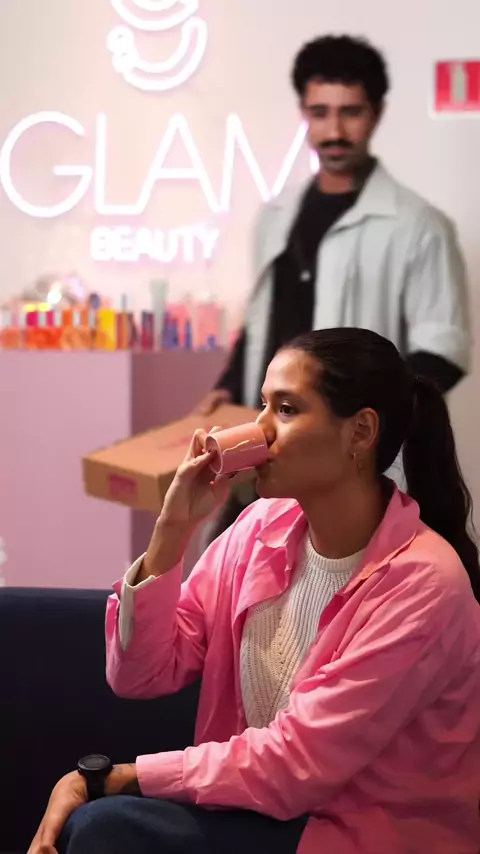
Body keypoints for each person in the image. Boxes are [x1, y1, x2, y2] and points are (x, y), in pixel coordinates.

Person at [30, 328, 480, 854]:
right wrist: (172, 531)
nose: (257, 431)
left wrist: (112, 779)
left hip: (360, 836)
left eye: (285, 409)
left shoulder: (423, 582)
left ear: (360, 432)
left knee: (107, 828)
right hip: (262, 817)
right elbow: (138, 674)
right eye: (263, 405)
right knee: (103, 827)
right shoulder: (259, 528)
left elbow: (294, 766)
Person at [199, 34, 471, 535]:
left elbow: (443, 351)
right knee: (233, 566)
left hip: (352, 472)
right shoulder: (275, 216)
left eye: (351, 112)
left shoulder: (419, 226)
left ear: (376, 114)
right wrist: (229, 387)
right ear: (304, 112)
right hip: (267, 456)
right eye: (320, 112)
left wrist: (352, 418)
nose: (335, 130)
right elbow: (263, 321)